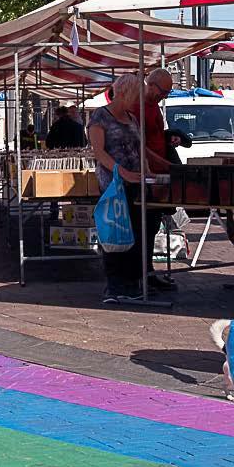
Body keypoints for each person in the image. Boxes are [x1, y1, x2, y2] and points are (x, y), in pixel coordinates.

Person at [88, 73, 160, 305]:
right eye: (136, 97)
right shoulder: (100, 116)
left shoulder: (132, 118)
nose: (138, 102)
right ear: (126, 93)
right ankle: (115, 285)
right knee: (116, 235)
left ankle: (132, 283)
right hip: (113, 186)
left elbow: (140, 148)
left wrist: (147, 171)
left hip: (137, 184)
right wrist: (122, 172)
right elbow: (99, 152)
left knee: (137, 234)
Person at [143, 70, 179, 291]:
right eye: (163, 91)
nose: (164, 96)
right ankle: (144, 273)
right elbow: (141, 143)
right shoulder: (139, 107)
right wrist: (163, 163)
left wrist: (169, 139)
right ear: (152, 84)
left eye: (167, 92)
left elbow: (155, 137)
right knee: (147, 225)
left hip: (158, 172)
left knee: (154, 223)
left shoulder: (153, 107)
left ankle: (148, 272)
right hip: (149, 174)